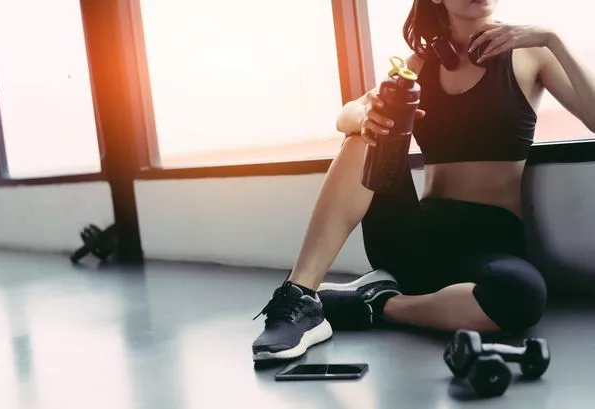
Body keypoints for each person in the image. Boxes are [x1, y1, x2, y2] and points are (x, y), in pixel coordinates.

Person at [251, 0, 595, 362]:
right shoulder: (419, 65)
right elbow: (347, 114)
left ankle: (376, 304)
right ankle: (301, 296)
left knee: (521, 296)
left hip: (489, 244)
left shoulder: (531, 53)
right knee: (367, 135)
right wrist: (365, 118)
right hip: (412, 239)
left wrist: (553, 38)